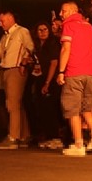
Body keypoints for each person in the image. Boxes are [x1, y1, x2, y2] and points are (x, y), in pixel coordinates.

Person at [56, 0, 92, 156]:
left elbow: (66, 49)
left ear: (71, 11)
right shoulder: (87, 26)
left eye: (63, 11)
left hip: (74, 72)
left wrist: (61, 71)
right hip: (90, 72)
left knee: (73, 109)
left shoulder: (69, 25)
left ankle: (78, 144)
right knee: (86, 107)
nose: (60, 14)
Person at [0, 9, 34, 149]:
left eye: (2, 21)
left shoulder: (22, 31)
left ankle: (13, 137)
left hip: (16, 69)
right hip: (7, 70)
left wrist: (23, 63)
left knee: (12, 104)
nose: (0, 24)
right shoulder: (5, 37)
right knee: (17, 103)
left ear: (11, 19)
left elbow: (30, 48)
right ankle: (24, 135)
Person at [24, 21, 62, 149]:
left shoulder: (52, 44)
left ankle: (56, 137)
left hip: (50, 79)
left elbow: (54, 63)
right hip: (39, 78)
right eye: (40, 30)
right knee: (43, 109)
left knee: (50, 108)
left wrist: (47, 82)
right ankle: (49, 136)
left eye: (45, 29)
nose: (43, 32)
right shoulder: (37, 46)